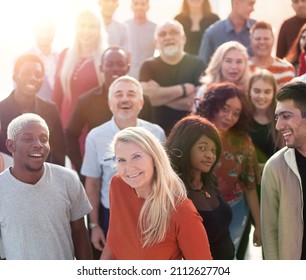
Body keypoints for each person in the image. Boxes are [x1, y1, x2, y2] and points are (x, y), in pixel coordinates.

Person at [81, 75, 166, 254]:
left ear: (141, 102)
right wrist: (94, 225)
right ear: (110, 103)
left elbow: (164, 179)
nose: (125, 99)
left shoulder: (156, 133)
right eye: (119, 95)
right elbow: (93, 183)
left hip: (149, 213)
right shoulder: (95, 137)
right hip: (110, 215)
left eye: (131, 94)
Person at [100, 126, 212, 260]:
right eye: (121, 160)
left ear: (154, 158)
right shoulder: (118, 185)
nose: (129, 167)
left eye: (136, 157)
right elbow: (114, 241)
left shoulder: (181, 210)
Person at [0, 113, 93, 259]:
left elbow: (80, 233)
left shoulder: (68, 180)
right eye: (28, 138)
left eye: (44, 139)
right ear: (11, 145)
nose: (38, 144)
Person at [197, 82, 261, 259]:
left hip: (235, 210)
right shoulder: (192, 132)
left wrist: (259, 226)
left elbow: (249, 186)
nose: (229, 117)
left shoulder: (243, 141)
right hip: (196, 210)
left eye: (236, 113)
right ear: (213, 104)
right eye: (225, 109)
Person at [166, 115, 235, 260]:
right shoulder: (173, 191)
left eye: (213, 150)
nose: (210, 155)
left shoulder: (210, 180)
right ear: (184, 146)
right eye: (202, 148)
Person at [65, 46, 130, 179]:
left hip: (134, 173)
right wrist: (83, 169)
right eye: (109, 64)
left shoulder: (141, 100)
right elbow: (70, 135)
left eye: (120, 64)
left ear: (128, 67)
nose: (115, 68)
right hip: (98, 178)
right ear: (101, 68)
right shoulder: (86, 101)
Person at [261, 81, 306, 259]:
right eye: (277, 118)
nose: (279, 126)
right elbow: (269, 233)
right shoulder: (275, 167)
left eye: (286, 116)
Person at [139, 19, 205, 135]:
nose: (168, 37)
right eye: (162, 34)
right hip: (156, 136)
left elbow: (196, 102)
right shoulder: (148, 66)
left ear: (183, 39)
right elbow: (147, 99)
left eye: (173, 32)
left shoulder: (198, 65)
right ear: (156, 43)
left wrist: (160, 95)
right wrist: (183, 89)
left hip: (191, 134)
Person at [0, 54, 65, 166]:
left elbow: (59, 153)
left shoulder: (51, 110)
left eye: (38, 74)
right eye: (26, 73)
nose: (32, 78)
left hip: (43, 179)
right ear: (15, 76)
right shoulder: (1, 110)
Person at [52, 10, 108, 129]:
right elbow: (56, 97)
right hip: (66, 124)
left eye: (92, 26)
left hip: (94, 125)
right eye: (82, 26)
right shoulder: (65, 55)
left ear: (99, 30)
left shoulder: (105, 57)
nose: (86, 31)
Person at [198, 0, 256, 69]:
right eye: (250, 4)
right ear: (236, 3)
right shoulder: (212, 34)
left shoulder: (259, 31)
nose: (253, 9)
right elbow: (202, 68)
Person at [247, 69, 284, 172]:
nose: (261, 96)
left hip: (276, 176)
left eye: (267, 92)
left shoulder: (282, 117)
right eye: (257, 91)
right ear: (249, 91)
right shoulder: (242, 117)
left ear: (274, 93)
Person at [248, 21, 295, 89]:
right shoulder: (243, 65)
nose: (262, 42)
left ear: (273, 41)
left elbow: (284, 98)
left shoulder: (286, 68)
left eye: (266, 38)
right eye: (258, 39)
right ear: (251, 41)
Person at [26, 16, 58, 101]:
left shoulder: (60, 58)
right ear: (34, 32)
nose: (44, 35)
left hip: (57, 112)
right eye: (40, 31)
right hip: (35, 111)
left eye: (48, 31)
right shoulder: (24, 59)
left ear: (54, 32)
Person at [125, 0, 156, 79]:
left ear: (148, 6)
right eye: (136, 4)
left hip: (148, 77)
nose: (139, 7)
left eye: (142, 4)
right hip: (127, 76)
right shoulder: (124, 27)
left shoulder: (155, 29)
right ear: (131, 6)